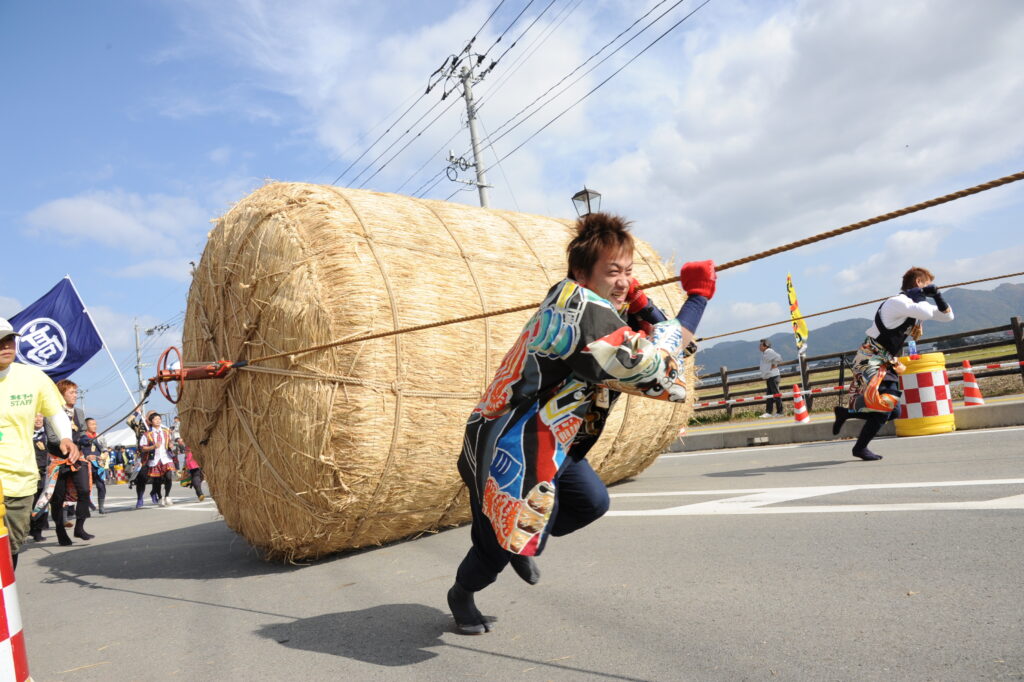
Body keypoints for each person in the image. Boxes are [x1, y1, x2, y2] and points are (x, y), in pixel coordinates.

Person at [447, 212, 717, 634]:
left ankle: (525, 535)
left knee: (591, 503)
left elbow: (649, 333)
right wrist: (698, 299)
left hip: (554, 441)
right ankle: (462, 594)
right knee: (497, 545)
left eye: (629, 271)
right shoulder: (581, 310)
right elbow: (653, 371)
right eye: (613, 271)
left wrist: (641, 301)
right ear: (580, 272)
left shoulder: (595, 304)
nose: (624, 280)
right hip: (506, 444)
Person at [832, 267, 954, 460]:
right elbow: (923, 310)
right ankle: (859, 448)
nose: (930, 288)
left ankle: (845, 413)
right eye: (928, 284)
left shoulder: (913, 306)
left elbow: (947, 316)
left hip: (886, 360)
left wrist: (937, 296)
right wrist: (922, 295)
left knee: (893, 410)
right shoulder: (898, 302)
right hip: (869, 357)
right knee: (887, 405)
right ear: (918, 283)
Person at [0, 317, 78, 567]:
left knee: (12, 545)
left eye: (9, 339)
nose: (6, 346)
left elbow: (55, 411)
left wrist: (66, 437)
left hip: (21, 477)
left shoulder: (32, 377)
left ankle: (6, 599)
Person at [46, 379, 93, 544]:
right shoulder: (51, 413)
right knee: (58, 498)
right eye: (71, 392)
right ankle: (60, 531)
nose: (75, 395)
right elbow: (52, 438)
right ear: (61, 394)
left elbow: (81, 432)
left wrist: (83, 441)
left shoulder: (79, 412)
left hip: (76, 458)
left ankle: (79, 527)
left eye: (75, 392)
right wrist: (68, 442)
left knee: (85, 490)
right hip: (58, 459)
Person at [139, 412, 176, 506]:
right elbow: (142, 448)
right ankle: (160, 497)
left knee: (168, 477)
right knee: (157, 481)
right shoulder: (147, 434)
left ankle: (167, 496)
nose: (158, 421)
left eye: (159, 419)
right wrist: (153, 447)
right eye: (156, 419)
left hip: (166, 458)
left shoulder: (166, 431)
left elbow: (171, 441)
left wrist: (171, 445)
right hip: (154, 459)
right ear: (151, 421)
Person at [78, 418, 107, 514]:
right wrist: (87, 456)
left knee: (101, 485)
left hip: (98, 465)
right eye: (92, 424)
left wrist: (105, 454)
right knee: (86, 487)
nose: (94, 426)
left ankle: (101, 506)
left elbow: (104, 448)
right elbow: (82, 446)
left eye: (95, 424)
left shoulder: (100, 436)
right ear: (86, 426)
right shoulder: (82, 437)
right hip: (86, 465)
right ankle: (87, 505)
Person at [29, 414, 50, 541]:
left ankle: (38, 531)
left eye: (41, 417)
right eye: (35, 417)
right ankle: (29, 527)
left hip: (44, 472)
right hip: (29, 472)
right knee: (30, 501)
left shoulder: (48, 434)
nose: (38, 420)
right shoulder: (25, 434)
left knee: (41, 501)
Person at [758, 339, 784, 418]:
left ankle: (780, 412)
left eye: (761, 345)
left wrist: (774, 364)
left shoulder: (769, 351)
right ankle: (769, 412)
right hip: (770, 376)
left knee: (776, 394)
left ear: (766, 346)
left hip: (773, 376)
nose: (759, 347)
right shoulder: (766, 353)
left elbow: (779, 358)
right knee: (769, 395)